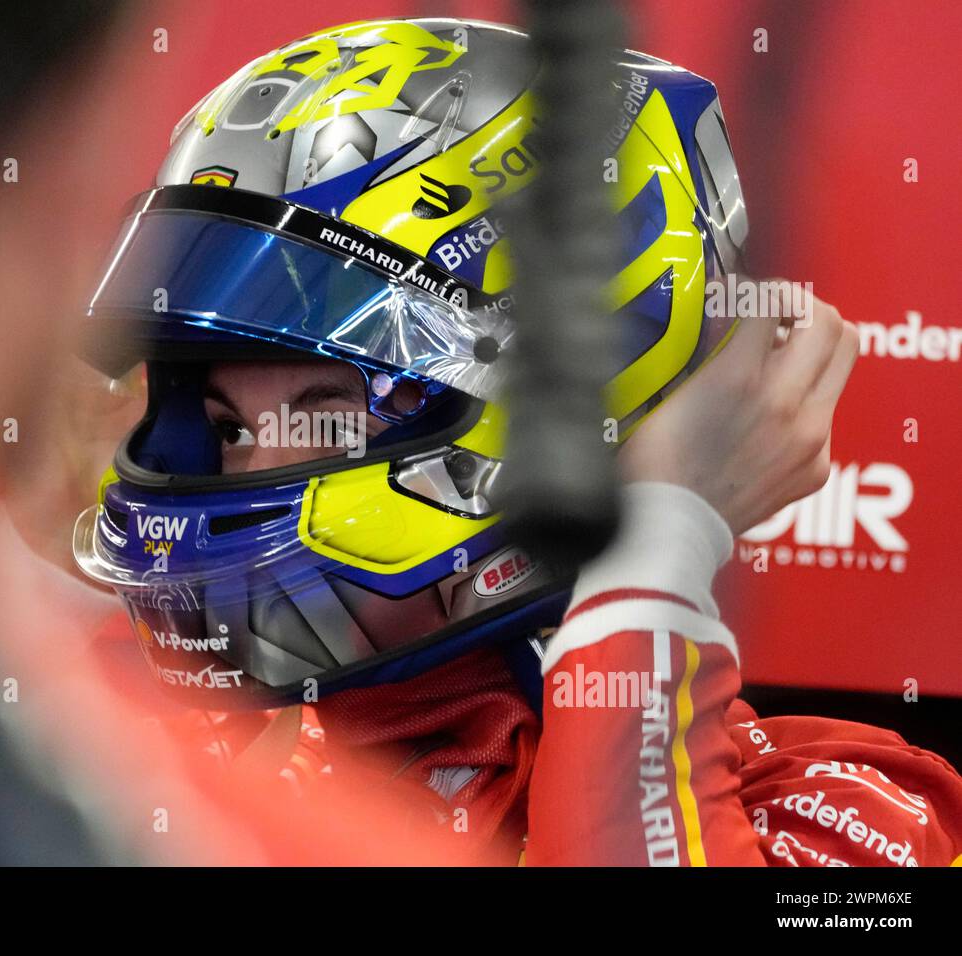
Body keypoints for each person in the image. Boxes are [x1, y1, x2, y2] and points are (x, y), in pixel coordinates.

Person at [73, 17, 962, 865]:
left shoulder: (849, 806)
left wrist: (659, 535)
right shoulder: (111, 742)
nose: (244, 466)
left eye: (327, 417)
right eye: (223, 428)